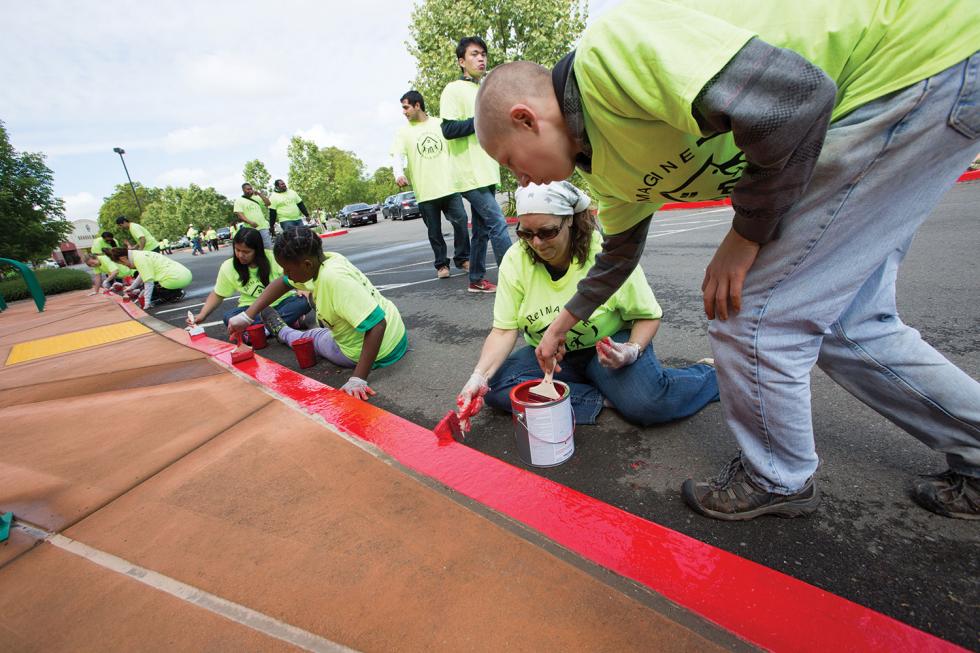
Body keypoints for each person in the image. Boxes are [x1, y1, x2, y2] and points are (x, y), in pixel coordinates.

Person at [473, 0, 980, 520]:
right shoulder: (603, 172)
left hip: (905, 64)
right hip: (918, 82)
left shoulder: (609, 59)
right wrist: (564, 322)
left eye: (510, 162)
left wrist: (745, 235)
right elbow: (618, 255)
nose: (521, 183)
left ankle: (778, 478)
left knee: (750, 309)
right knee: (849, 324)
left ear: (526, 119)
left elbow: (799, 102)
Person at [456, 181, 718, 430]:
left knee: (649, 405)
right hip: (554, 358)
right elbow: (503, 331)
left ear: (569, 219)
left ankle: (710, 373)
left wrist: (631, 350)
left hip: (607, 349)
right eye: (526, 233)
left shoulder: (605, 255)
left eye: (547, 232)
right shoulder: (515, 260)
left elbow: (648, 316)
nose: (536, 243)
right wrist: (479, 376)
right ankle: (602, 396)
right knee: (496, 387)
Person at [227, 226, 408, 400]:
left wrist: (358, 379)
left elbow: (377, 325)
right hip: (396, 333)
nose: (285, 273)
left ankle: (283, 331)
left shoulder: (334, 279)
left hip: (376, 350)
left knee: (311, 336)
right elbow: (282, 283)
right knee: (314, 299)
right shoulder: (328, 259)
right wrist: (247, 316)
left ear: (306, 264)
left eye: (288, 269)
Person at [440, 36, 513, 293]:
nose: (481, 58)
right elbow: (448, 129)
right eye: (474, 54)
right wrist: (480, 119)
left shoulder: (483, 90)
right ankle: (515, 279)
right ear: (462, 61)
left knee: (481, 230)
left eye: (483, 53)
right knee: (498, 223)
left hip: (487, 172)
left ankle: (476, 280)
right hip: (469, 174)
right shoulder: (453, 90)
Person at [392, 90, 470, 279]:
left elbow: (455, 147)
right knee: (434, 232)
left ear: (417, 105)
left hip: (449, 186)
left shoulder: (439, 124)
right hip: (425, 191)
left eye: (406, 107)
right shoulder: (403, 132)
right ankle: (442, 265)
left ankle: (463, 258)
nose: (404, 112)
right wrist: (399, 174)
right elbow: (397, 156)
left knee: (460, 222)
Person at [187, 227, 311, 327]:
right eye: (237, 250)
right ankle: (283, 324)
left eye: (246, 252)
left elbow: (294, 277)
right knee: (228, 317)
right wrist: (203, 315)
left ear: (257, 250)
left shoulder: (273, 257)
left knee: (303, 303)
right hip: (251, 309)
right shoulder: (228, 266)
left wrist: (302, 288)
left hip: (283, 303)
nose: (240, 255)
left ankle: (261, 330)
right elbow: (218, 294)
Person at [106, 247, 191, 307]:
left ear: (123, 259)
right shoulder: (138, 254)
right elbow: (142, 274)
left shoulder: (139, 259)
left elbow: (148, 282)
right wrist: (132, 287)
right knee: (145, 289)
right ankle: (172, 292)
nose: (125, 266)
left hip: (176, 278)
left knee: (150, 290)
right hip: (182, 275)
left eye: (123, 264)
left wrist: (147, 303)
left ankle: (175, 293)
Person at [233, 183, 273, 249]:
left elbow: (268, 203)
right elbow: (240, 214)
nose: (250, 190)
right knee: (255, 248)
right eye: (248, 189)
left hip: (263, 227)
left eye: (251, 189)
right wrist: (250, 222)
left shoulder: (256, 198)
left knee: (268, 247)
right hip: (250, 229)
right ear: (243, 190)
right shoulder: (239, 201)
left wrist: (260, 194)